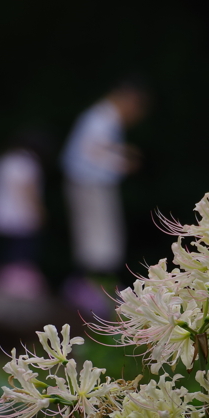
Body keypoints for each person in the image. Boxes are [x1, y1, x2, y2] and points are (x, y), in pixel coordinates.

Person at [60, 77, 149, 312]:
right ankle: (92, 290)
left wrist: (120, 156)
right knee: (97, 236)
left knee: (98, 235)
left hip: (89, 183)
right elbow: (91, 155)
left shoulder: (101, 118)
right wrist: (122, 162)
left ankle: (95, 287)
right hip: (90, 184)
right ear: (130, 100)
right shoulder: (102, 119)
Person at [0, 129, 51, 300]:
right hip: (21, 215)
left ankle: (3, 284)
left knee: (6, 252)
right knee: (22, 254)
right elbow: (27, 189)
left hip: (0, 213)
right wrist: (39, 210)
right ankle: (19, 288)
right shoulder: (27, 161)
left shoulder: (4, 158)